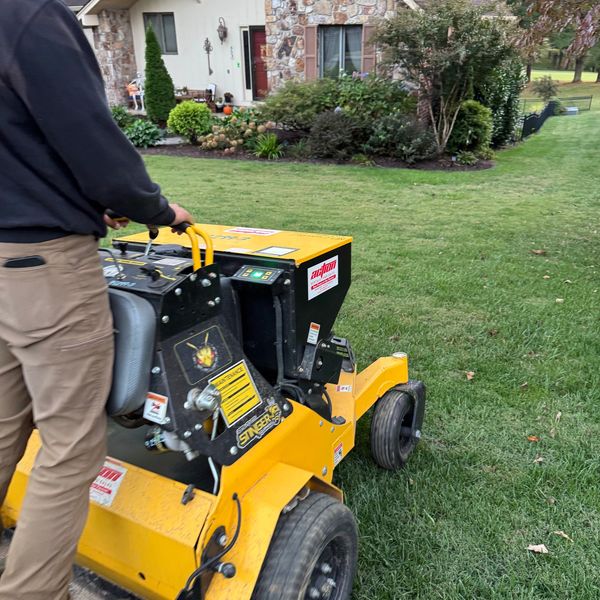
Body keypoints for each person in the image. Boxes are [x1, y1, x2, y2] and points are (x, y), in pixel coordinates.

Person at [0, 1, 194, 598]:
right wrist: (158, 210)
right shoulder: (27, 15)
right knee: (73, 449)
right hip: (44, 267)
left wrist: (75, 199)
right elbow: (91, 140)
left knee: (4, 424)